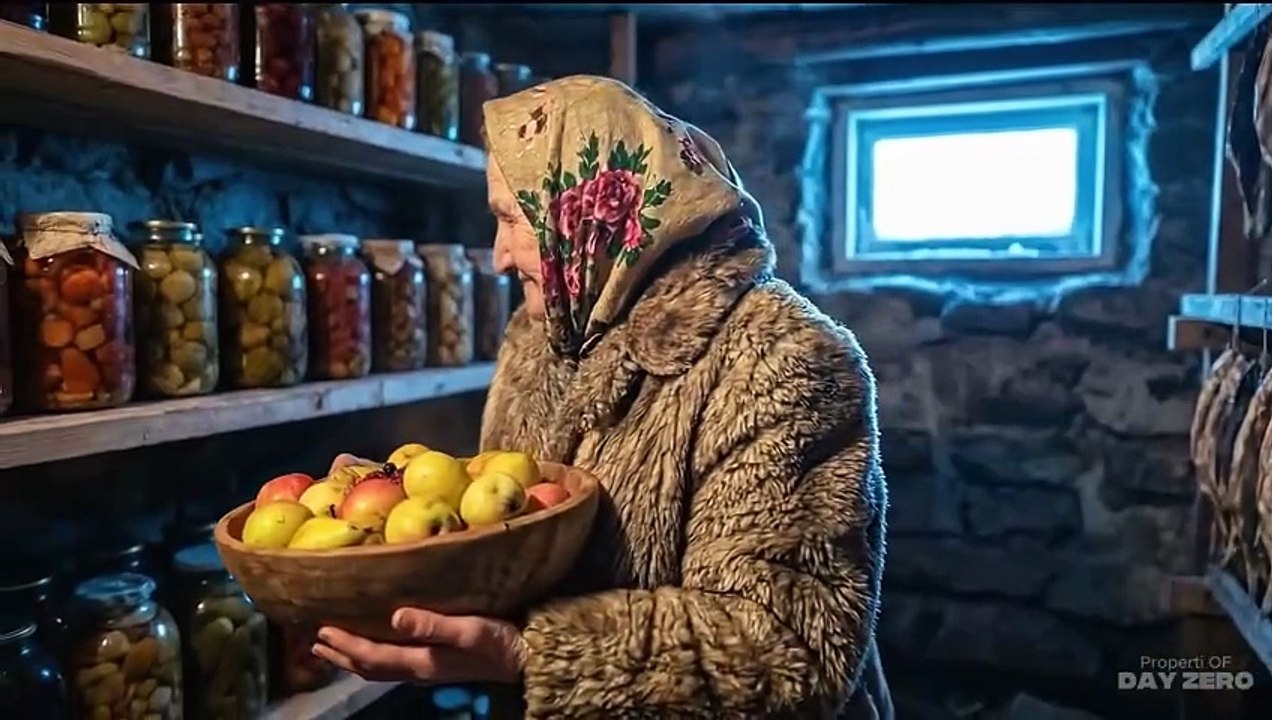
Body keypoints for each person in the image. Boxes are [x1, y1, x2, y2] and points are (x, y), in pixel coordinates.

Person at [313, 75, 892, 719]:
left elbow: (791, 649)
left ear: (587, 209)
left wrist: (534, 655)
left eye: (511, 219)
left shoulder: (784, 357)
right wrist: (395, 515)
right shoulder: (547, 333)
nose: (499, 258)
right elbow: (514, 522)